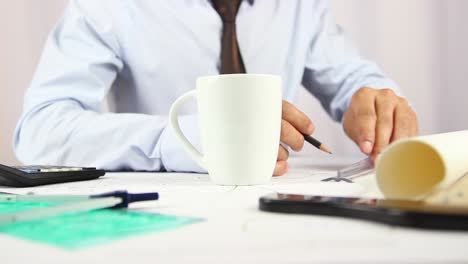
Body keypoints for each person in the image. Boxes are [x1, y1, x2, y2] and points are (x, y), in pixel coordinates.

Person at [14, 0, 418, 176]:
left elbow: (353, 81)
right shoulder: (109, 5)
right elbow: (40, 130)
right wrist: (191, 138)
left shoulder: (301, 5)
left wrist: (372, 98)